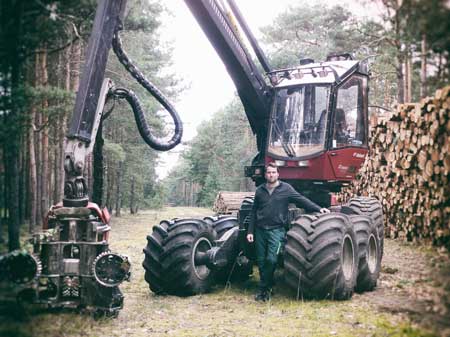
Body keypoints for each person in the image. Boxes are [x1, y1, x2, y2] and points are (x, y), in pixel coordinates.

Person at [246, 162, 330, 301]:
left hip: (276, 230)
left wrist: (318, 208)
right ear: (265, 174)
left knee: (271, 260)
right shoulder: (260, 190)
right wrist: (250, 231)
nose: (271, 175)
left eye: (273, 172)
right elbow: (254, 211)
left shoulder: (286, 189)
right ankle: (267, 287)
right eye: (269, 172)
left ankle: (263, 288)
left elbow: (301, 200)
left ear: (278, 174)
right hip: (260, 230)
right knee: (261, 261)